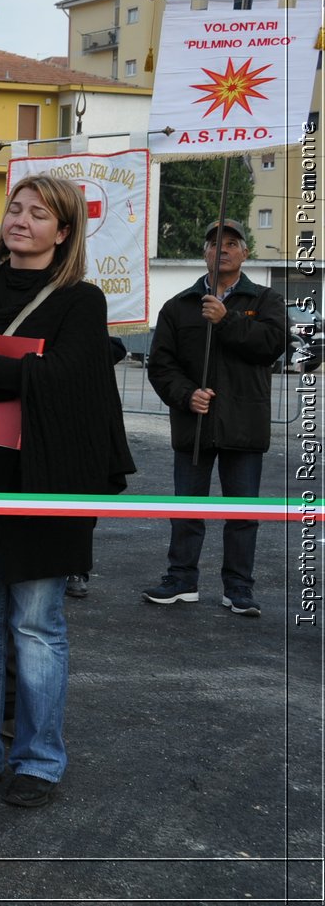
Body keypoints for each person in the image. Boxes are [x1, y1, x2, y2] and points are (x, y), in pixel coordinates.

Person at [0, 173, 133, 808]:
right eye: (16, 208)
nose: (22, 220)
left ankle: (39, 760)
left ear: (63, 232)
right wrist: (17, 370)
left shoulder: (82, 302)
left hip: (46, 481)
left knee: (37, 627)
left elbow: (64, 381)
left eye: (40, 214)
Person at [142, 219, 286, 615]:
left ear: (245, 253)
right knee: (187, 509)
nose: (221, 249)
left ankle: (238, 588)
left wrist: (227, 320)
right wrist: (187, 395)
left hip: (244, 424)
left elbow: (272, 345)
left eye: (231, 243)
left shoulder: (267, 300)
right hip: (195, 424)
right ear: (204, 253)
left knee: (243, 514)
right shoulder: (178, 306)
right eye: (213, 244)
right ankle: (181, 579)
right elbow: (161, 365)